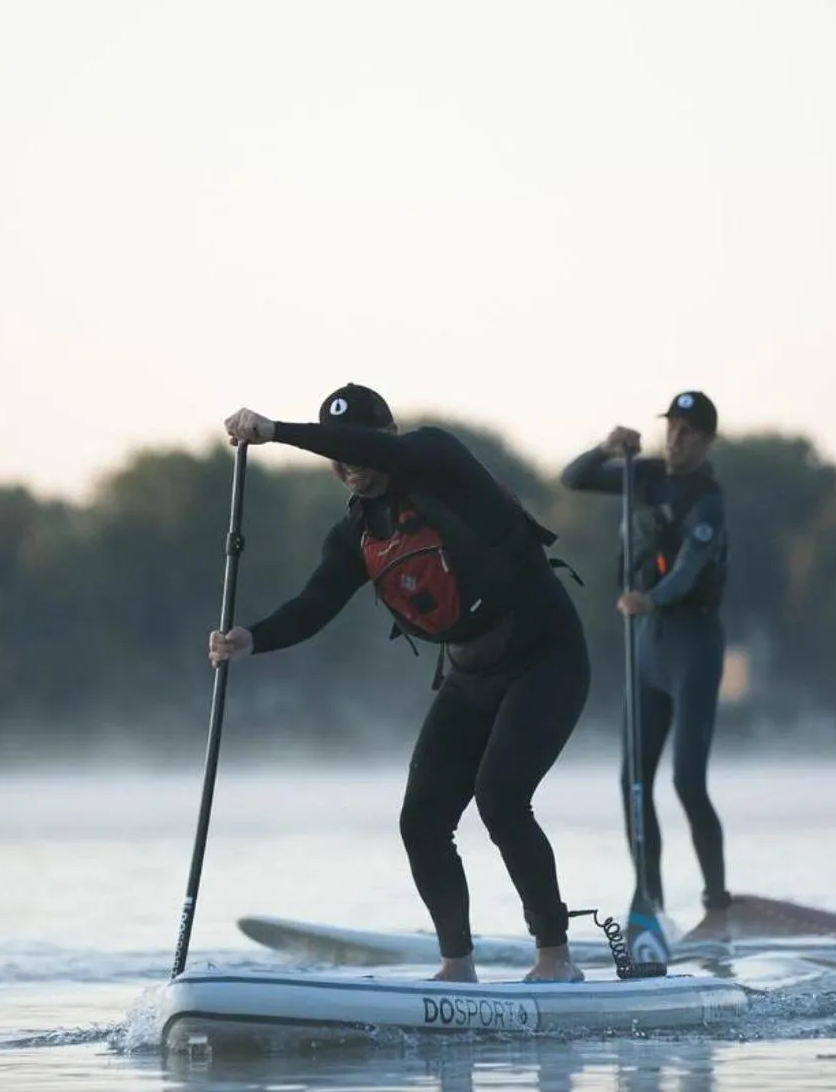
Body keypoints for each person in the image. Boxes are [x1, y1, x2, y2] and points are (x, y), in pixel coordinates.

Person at [211, 384, 591, 984]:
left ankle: (555, 960)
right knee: (421, 820)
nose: (350, 467)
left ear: (387, 442)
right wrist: (249, 639)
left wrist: (277, 431)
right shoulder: (355, 535)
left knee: (500, 798)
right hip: (470, 675)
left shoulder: (437, 461)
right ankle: (456, 969)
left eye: (358, 451)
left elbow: (358, 444)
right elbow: (315, 604)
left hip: (546, 660)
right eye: (341, 459)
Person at [561, 390, 731, 953]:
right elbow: (574, 478)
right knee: (632, 782)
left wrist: (651, 600)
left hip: (693, 646)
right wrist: (607, 445)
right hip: (646, 650)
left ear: (706, 441)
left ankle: (718, 906)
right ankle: (650, 901)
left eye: (687, 432)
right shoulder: (644, 474)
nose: (675, 439)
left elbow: (688, 571)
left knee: (686, 781)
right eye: (672, 428)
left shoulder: (708, 499)